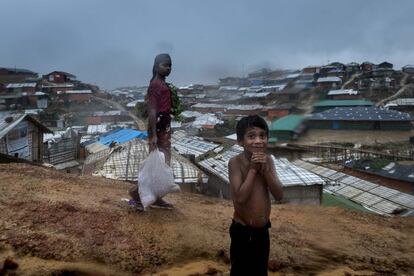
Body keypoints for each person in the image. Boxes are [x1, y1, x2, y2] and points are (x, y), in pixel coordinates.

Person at [228, 115, 283, 276]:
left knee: (260, 271)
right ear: (240, 141)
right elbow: (240, 198)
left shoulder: (269, 161)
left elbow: (279, 194)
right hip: (242, 231)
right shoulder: (235, 163)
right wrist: (253, 170)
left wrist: (265, 171)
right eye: (251, 136)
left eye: (262, 136)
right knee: (240, 271)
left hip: (262, 232)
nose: (258, 141)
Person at [129, 53, 174, 210]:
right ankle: (137, 195)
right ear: (156, 66)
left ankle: (156, 197)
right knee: (156, 166)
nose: (168, 68)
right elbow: (152, 111)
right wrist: (154, 135)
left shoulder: (162, 83)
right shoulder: (155, 85)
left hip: (164, 127)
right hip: (159, 128)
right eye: (164, 65)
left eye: (170, 65)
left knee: (162, 165)